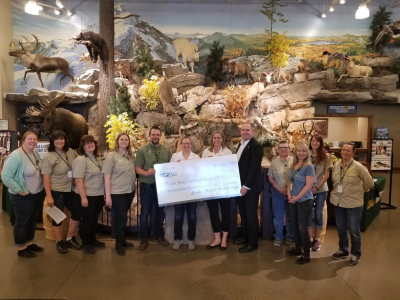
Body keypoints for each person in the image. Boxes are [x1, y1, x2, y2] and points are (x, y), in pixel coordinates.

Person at [1, 131, 44, 258]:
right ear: (23, 140)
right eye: (30, 139)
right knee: (22, 222)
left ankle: (29, 243)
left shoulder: (34, 153)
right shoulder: (16, 156)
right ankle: (21, 247)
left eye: (35, 139)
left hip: (36, 194)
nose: (33, 141)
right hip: (22, 196)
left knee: (32, 220)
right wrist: (20, 190)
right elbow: (6, 176)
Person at [330, 142, 374, 266]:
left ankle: (355, 254)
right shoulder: (336, 165)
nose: (345, 152)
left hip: (353, 203)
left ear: (354, 152)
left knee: (354, 230)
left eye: (348, 150)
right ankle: (343, 250)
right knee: (341, 228)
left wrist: (359, 191)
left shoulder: (359, 167)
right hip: (338, 202)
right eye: (343, 150)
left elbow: (369, 184)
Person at [41, 131, 81, 254]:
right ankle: (59, 242)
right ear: (52, 141)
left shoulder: (71, 152)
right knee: (57, 217)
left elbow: (80, 162)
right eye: (56, 139)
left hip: (71, 189)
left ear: (65, 140)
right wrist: (49, 196)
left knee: (77, 212)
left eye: (62, 138)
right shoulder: (49, 156)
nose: (60, 141)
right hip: (57, 191)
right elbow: (46, 177)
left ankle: (69, 238)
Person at [135, 125, 172, 250]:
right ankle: (143, 239)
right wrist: (146, 173)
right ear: (149, 136)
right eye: (153, 134)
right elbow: (137, 168)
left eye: (157, 134)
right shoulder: (142, 151)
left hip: (162, 188)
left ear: (160, 136)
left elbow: (171, 168)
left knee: (160, 213)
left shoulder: (167, 151)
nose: (155, 136)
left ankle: (158, 236)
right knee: (145, 213)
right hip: (148, 186)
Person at [103, 133, 136, 256]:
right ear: (117, 141)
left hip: (129, 191)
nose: (124, 141)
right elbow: (107, 177)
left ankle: (121, 239)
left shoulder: (130, 156)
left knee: (123, 216)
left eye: (126, 139)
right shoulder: (111, 156)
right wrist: (108, 196)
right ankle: (118, 244)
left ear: (129, 142)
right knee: (121, 218)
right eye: (121, 139)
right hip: (117, 192)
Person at [233, 123, 263, 253]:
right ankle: (245, 237)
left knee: (251, 215)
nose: (245, 132)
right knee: (244, 214)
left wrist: (245, 186)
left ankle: (253, 243)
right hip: (240, 186)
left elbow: (253, 168)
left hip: (250, 188)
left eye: (248, 130)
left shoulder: (256, 146)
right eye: (243, 130)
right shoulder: (241, 144)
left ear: (252, 131)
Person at [72, 135, 105, 254]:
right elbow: (78, 180)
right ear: (83, 146)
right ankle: (85, 243)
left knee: (94, 219)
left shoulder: (96, 158)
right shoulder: (81, 159)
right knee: (87, 220)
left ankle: (92, 239)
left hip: (98, 194)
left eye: (92, 142)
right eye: (87, 143)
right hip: (87, 195)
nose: (90, 145)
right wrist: (83, 197)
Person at [202, 131, 232, 250]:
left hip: (224, 188)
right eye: (215, 137)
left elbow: (231, 170)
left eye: (219, 137)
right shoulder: (206, 152)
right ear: (212, 139)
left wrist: (229, 189)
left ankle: (224, 239)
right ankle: (217, 239)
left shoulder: (227, 152)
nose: (217, 139)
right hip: (210, 188)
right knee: (213, 214)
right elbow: (201, 169)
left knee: (225, 213)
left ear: (222, 139)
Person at [286, 141, 315, 264]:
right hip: (293, 200)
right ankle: (297, 248)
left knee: (303, 228)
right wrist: (289, 194)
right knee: (295, 226)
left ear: (307, 153)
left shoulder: (308, 166)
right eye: (299, 150)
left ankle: (306, 255)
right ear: (295, 152)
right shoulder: (294, 165)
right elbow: (289, 181)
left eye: (304, 151)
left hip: (304, 201)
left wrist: (297, 197)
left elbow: (308, 186)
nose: (301, 153)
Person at [170, 137, 200, 250]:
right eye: (184, 143)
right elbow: (170, 173)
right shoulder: (174, 156)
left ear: (191, 145)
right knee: (178, 216)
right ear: (181, 144)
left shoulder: (196, 157)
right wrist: (175, 166)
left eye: (188, 143)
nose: (186, 145)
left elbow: (199, 174)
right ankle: (177, 239)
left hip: (192, 191)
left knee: (192, 216)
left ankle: (191, 240)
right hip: (178, 192)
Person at [267, 140, 295, 247]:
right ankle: (278, 237)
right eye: (281, 147)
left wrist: (288, 190)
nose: (283, 149)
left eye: (285, 147)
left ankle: (290, 238)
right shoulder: (274, 162)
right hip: (277, 193)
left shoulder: (295, 161)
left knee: (290, 217)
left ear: (289, 149)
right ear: (278, 149)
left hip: (292, 194)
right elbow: (270, 177)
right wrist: (278, 188)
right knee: (278, 217)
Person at [308, 135, 333, 251]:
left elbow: (326, 174)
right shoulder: (306, 154)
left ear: (321, 143)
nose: (314, 143)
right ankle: (308, 239)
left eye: (317, 141)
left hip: (321, 189)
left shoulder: (326, 156)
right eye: (313, 141)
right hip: (307, 189)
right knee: (308, 214)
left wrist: (317, 188)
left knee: (318, 214)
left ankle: (317, 240)